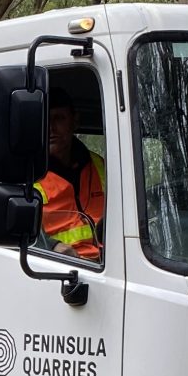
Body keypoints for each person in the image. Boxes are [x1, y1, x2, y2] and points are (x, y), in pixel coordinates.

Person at [36, 98, 105, 258]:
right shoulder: (24, 175)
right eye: (45, 120)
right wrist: (51, 246)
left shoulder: (99, 164)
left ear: (75, 122)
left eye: (59, 118)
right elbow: (12, 230)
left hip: (112, 265)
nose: (51, 128)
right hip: (58, 268)